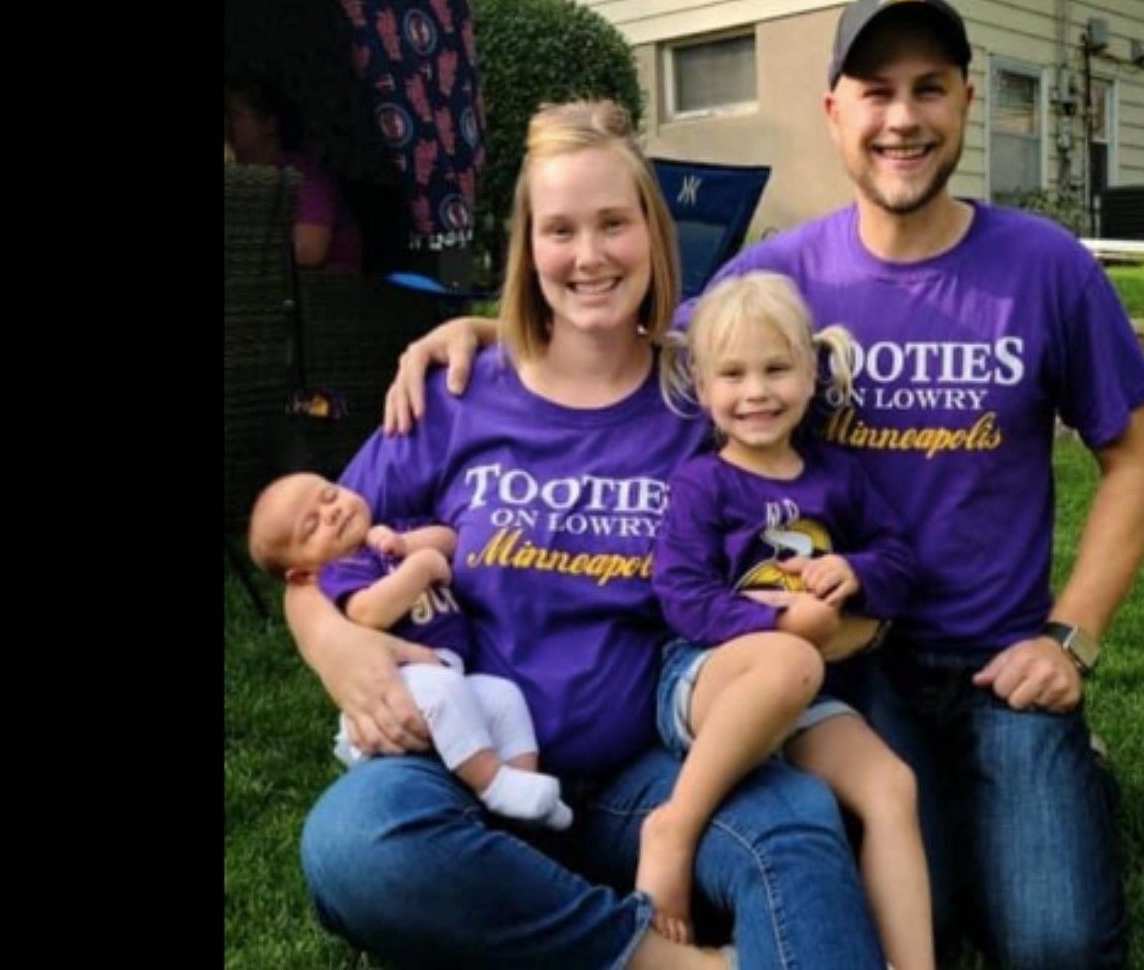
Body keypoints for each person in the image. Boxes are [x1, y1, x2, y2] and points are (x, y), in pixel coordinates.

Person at [382, 0, 1144, 967]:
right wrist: (493, 333)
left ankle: (1056, 773)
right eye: (874, 91)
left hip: (997, 661)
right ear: (834, 110)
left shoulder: (1047, 267)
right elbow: (634, 324)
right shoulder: (785, 270)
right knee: (923, 891)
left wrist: (1070, 638)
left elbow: (1137, 456)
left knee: (1051, 946)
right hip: (847, 661)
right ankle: (994, 807)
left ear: (967, 100)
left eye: (929, 88)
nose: (902, 118)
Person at [283, 99, 889, 969]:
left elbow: (830, 479)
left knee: (796, 827)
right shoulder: (455, 390)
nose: (591, 255)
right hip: (464, 767)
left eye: (614, 223)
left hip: (642, 774)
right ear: (528, 249)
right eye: (560, 230)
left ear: (654, 233)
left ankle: (539, 918)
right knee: (358, 844)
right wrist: (330, 647)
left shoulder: (706, 399)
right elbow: (312, 560)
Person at [639, 270, 934, 968]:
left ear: (810, 372)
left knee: (893, 785)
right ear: (703, 388)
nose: (756, 392)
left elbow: (901, 562)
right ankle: (673, 828)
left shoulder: (837, 475)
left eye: (776, 369)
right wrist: (775, 626)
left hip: (801, 693)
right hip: (704, 678)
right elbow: (681, 593)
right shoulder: (704, 482)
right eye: (732, 374)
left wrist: (856, 572)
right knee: (795, 660)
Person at [247, 472, 572, 829]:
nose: (333, 513)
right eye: (312, 527)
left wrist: (407, 544)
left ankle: (524, 795)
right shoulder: (340, 572)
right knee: (443, 692)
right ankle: (494, 785)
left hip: (448, 671)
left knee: (504, 697)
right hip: (401, 680)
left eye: (330, 496)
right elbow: (369, 611)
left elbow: (451, 538)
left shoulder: (391, 535)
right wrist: (422, 566)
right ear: (302, 575)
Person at [223, 76, 364, 269]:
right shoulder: (237, 176)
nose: (226, 124)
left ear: (269, 123)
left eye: (234, 115)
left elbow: (308, 251)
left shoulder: (304, 178)